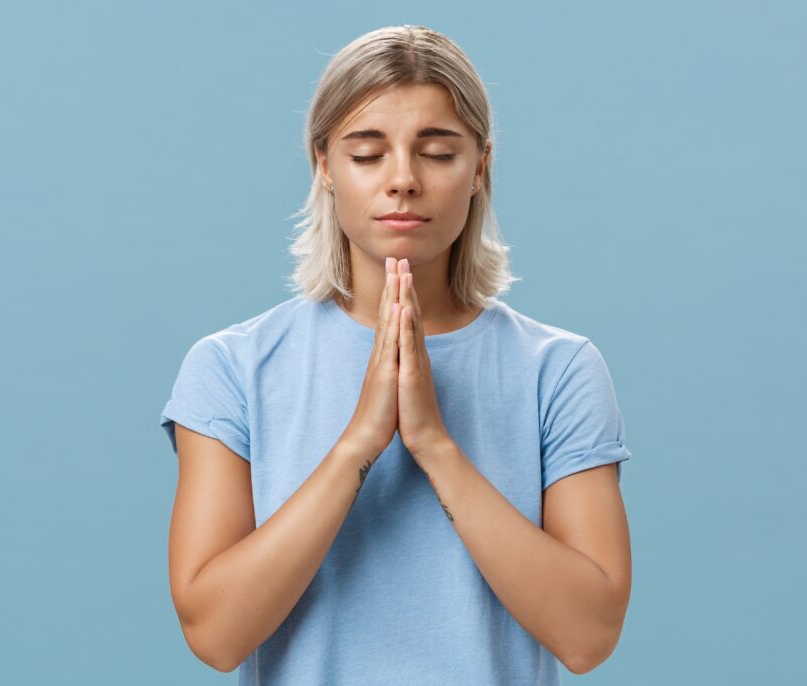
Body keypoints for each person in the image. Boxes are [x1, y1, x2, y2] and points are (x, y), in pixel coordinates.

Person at [159, 24, 633, 685]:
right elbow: (215, 634)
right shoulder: (231, 369)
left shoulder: (559, 371)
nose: (403, 180)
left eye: (437, 152)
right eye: (367, 153)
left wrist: (434, 444)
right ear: (323, 164)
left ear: (479, 168)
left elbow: (588, 636)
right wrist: (360, 441)